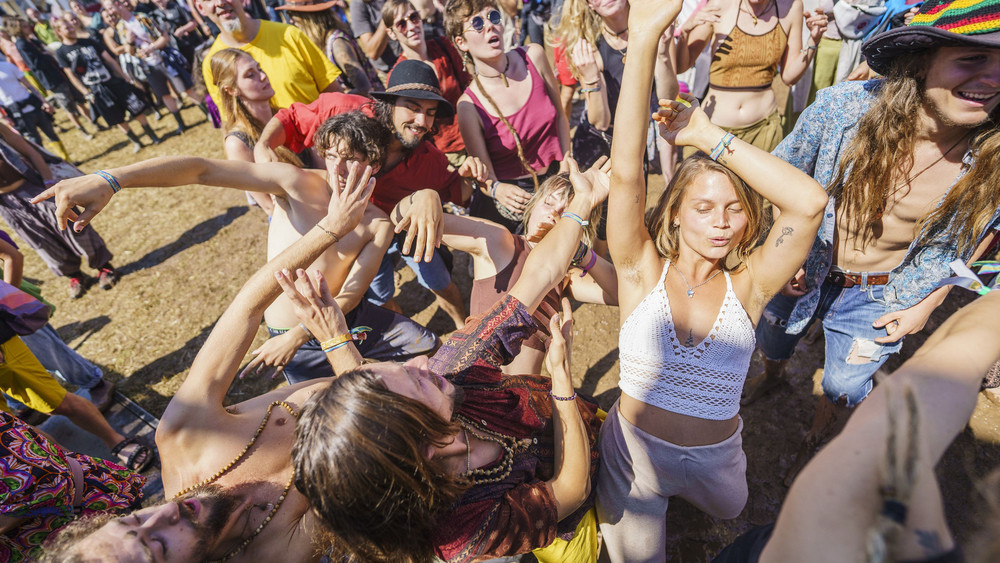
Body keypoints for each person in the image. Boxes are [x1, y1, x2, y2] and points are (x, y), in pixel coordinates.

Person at [34, 155, 377, 563]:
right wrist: (335, 340)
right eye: (157, 544)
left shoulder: (182, 436)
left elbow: (247, 305)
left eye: (133, 520)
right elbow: (378, 448)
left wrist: (331, 228)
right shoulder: (275, 553)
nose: (164, 513)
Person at [593, 0, 828, 561]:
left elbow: (809, 201)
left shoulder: (749, 285)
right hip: (635, 461)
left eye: (734, 209)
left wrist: (707, 133)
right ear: (674, 212)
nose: (722, 223)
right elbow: (628, 172)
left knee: (730, 509)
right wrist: (646, 36)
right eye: (703, 207)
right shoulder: (639, 270)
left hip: (718, 463)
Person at [290, 157, 610, 562]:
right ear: (424, 447)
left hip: (585, 430)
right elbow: (570, 491)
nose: (426, 363)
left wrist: (582, 206)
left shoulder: (452, 371)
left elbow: (538, 278)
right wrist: (562, 383)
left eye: (410, 367)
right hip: (568, 513)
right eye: (417, 382)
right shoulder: (463, 527)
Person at [745, 0, 1000, 482]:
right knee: (774, 339)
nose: (993, 79)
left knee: (843, 387)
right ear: (923, 59)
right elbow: (781, 174)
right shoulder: (842, 111)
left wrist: (927, 304)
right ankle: (774, 376)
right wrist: (784, 245)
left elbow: (973, 241)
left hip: (883, 295)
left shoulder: (994, 158)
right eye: (973, 58)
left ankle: (815, 444)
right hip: (804, 266)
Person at [40, 111, 439, 384]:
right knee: (322, 412)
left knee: (431, 351)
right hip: (290, 333)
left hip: (337, 323)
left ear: (371, 163)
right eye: (329, 155)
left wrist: (298, 336)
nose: (335, 168)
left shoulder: (377, 224)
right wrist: (112, 179)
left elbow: (351, 293)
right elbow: (203, 170)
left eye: (348, 159)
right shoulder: (296, 182)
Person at [713, 275, 1000, 563]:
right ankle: (777, 384)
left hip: (874, 294)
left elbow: (949, 359)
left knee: (844, 388)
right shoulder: (912, 535)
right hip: (819, 278)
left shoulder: (864, 507)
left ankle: (813, 442)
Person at [256, 60, 488, 329]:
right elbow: (291, 118)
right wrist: (263, 145)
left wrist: (469, 175)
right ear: (390, 105)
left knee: (438, 279)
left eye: (430, 112)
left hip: (400, 225)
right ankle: (401, 332)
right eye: (413, 108)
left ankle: (462, 325)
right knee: (379, 295)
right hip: (354, 230)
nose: (422, 121)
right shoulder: (345, 111)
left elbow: (457, 191)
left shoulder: (428, 159)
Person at [390, 167, 617, 375]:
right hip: (468, 383)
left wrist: (582, 252)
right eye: (549, 203)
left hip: (518, 407)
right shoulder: (500, 242)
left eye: (568, 214)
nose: (554, 215)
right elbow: (401, 218)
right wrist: (424, 196)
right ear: (534, 204)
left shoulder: (564, 275)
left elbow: (623, 294)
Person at [447, 0, 570, 233]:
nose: (490, 27)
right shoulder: (468, 106)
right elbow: (485, 176)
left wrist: (565, 164)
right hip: (515, 198)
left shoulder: (534, 55)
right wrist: (498, 190)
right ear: (461, 42)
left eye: (493, 18)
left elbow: (561, 117)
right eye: (477, 23)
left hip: (557, 177)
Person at [675, 0, 827, 152]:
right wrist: (685, 33)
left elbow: (789, 77)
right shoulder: (720, 4)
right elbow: (682, 65)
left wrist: (813, 41)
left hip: (764, 130)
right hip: (715, 130)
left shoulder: (790, 7)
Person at [0, 411, 145, 562]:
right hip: (53, 537)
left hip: (86, 505)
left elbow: (45, 480)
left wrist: (71, 462)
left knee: (144, 546)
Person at [0, 121, 119, 298]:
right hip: (7, 204)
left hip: (34, 187)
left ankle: (104, 266)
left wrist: (49, 182)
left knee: (72, 225)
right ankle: (75, 276)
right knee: (41, 241)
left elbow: (31, 152)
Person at [197, 0, 342, 115]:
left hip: (322, 141)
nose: (220, 2)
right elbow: (231, 122)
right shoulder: (213, 64)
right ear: (200, 8)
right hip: (274, 151)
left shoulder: (288, 35)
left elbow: (333, 91)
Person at [211, 47, 300, 216]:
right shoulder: (238, 143)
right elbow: (269, 206)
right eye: (250, 74)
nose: (263, 76)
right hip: (295, 223)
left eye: (259, 68)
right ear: (232, 90)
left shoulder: (283, 113)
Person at [52, 17, 162, 153]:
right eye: (66, 27)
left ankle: (153, 136)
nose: (71, 29)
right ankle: (137, 142)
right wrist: (86, 93)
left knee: (136, 108)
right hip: (96, 89)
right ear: (58, 31)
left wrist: (125, 77)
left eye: (70, 26)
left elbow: (110, 60)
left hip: (112, 81)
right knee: (116, 117)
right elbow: (71, 75)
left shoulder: (88, 42)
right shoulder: (62, 52)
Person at [384, 0, 471, 162]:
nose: (411, 27)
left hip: (474, 132)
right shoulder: (398, 75)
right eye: (401, 24)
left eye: (414, 17)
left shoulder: (443, 46)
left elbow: (469, 85)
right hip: (446, 153)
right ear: (391, 33)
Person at [104, 0, 198, 136]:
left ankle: (207, 113)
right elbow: (129, 51)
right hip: (147, 66)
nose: (109, 12)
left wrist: (152, 47)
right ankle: (181, 124)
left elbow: (164, 37)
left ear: (118, 5)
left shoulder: (141, 17)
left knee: (185, 88)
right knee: (164, 94)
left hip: (163, 58)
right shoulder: (120, 27)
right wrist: (130, 41)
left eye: (110, 8)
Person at [278, 0, 383, 96]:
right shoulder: (324, 42)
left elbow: (365, 88)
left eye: (292, 15)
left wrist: (334, 96)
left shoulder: (337, 44)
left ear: (309, 17)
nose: (291, 21)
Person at [0, 56, 69, 161]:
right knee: (35, 142)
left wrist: (43, 101)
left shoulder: (8, 66)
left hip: (32, 105)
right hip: (16, 113)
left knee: (51, 133)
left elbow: (29, 85)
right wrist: (3, 117)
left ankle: (65, 160)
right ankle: (46, 164)